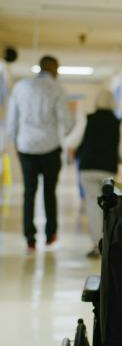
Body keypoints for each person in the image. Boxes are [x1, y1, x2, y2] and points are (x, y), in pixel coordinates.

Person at [7, 55, 74, 252]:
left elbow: (12, 122)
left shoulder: (20, 87)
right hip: (50, 149)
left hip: (26, 147)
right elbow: (67, 122)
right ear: (54, 69)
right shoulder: (58, 89)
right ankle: (50, 234)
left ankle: (30, 238)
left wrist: (16, 146)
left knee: (29, 193)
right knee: (49, 192)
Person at [67, 89, 122, 259]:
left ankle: (96, 244)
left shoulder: (87, 119)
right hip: (108, 168)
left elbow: (72, 141)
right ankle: (108, 242)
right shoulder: (118, 123)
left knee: (93, 204)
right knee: (108, 205)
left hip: (88, 167)